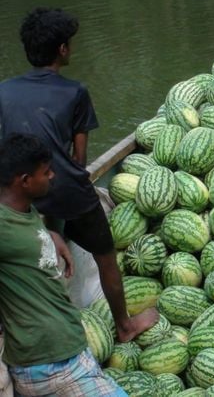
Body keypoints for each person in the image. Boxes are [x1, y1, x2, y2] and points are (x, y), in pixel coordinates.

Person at [0, 8, 158, 343]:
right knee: (105, 256)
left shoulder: (4, 91)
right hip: (67, 191)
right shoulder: (75, 92)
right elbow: (80, 159)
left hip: (21, 193)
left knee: (40, 246)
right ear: (62, 49)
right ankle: (124, 326)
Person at [0, 134, 127, 396]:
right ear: (25, 181)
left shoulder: (23, 208)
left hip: (69, 353)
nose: (52, 177)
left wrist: (50, 236)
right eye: (46, 173)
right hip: (51, 366)